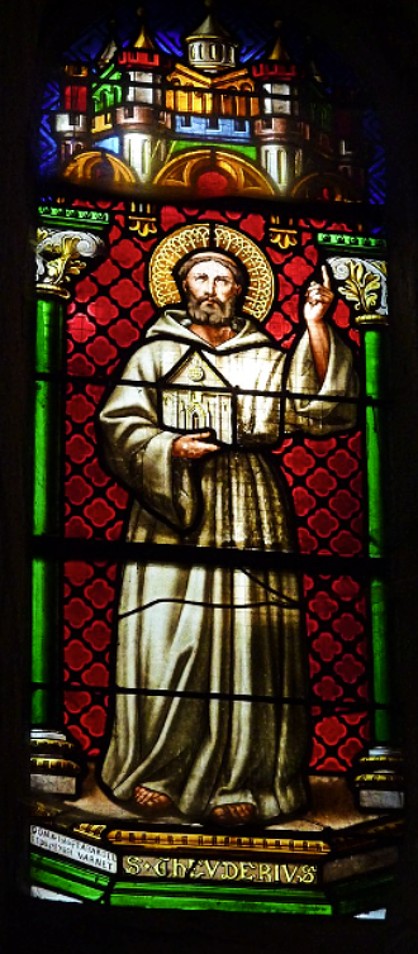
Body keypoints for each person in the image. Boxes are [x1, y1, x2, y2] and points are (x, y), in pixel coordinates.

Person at [99, 247, 358, 826]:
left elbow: (319, 408)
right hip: (173, 507)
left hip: (249, 502)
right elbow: (119, 425)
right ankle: (159, 769)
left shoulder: (262, 354)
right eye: (201, 277)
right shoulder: (154, 352)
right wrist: (169, 446)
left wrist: (316, 326)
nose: (212, 288)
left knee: (249, 639)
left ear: (242, 290)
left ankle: (247, 777)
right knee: (171, 635)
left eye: (224, 279)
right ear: (182, 286)